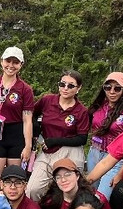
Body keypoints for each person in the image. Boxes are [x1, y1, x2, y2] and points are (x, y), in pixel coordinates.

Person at [26, 71, 91, 200]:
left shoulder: (81, 111)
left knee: (68, 193)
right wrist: (36, 128)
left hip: (70, 151)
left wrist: (56, 141)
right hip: (47, 151)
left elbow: (82, 138)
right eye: (62, 84)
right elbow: (30, 113)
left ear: (78, 88)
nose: (65, 88)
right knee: (33, 189)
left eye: (71, 86)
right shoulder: (47, 100)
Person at [0, 46, 35, 191]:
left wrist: (28, 145)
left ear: (21, 65)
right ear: (1, 62)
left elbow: (27, 120)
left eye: (15, 62)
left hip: (16, 135)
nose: (11, 65)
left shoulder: (25, 89)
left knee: (14, 182)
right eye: (8, 61)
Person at [85, 71, 123, 199]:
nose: (112, 91)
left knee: (102, 196)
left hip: (116, 158)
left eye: (117, 88)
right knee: (91, 191)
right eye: (108, 87)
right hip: (94, 152)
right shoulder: (99, 106)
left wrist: (122, 171)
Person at [38, 158, 113, 209]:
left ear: (77, 176)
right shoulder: (51, 202)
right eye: (58, 177)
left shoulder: (97, 200)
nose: (63, 180)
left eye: (67, 175)